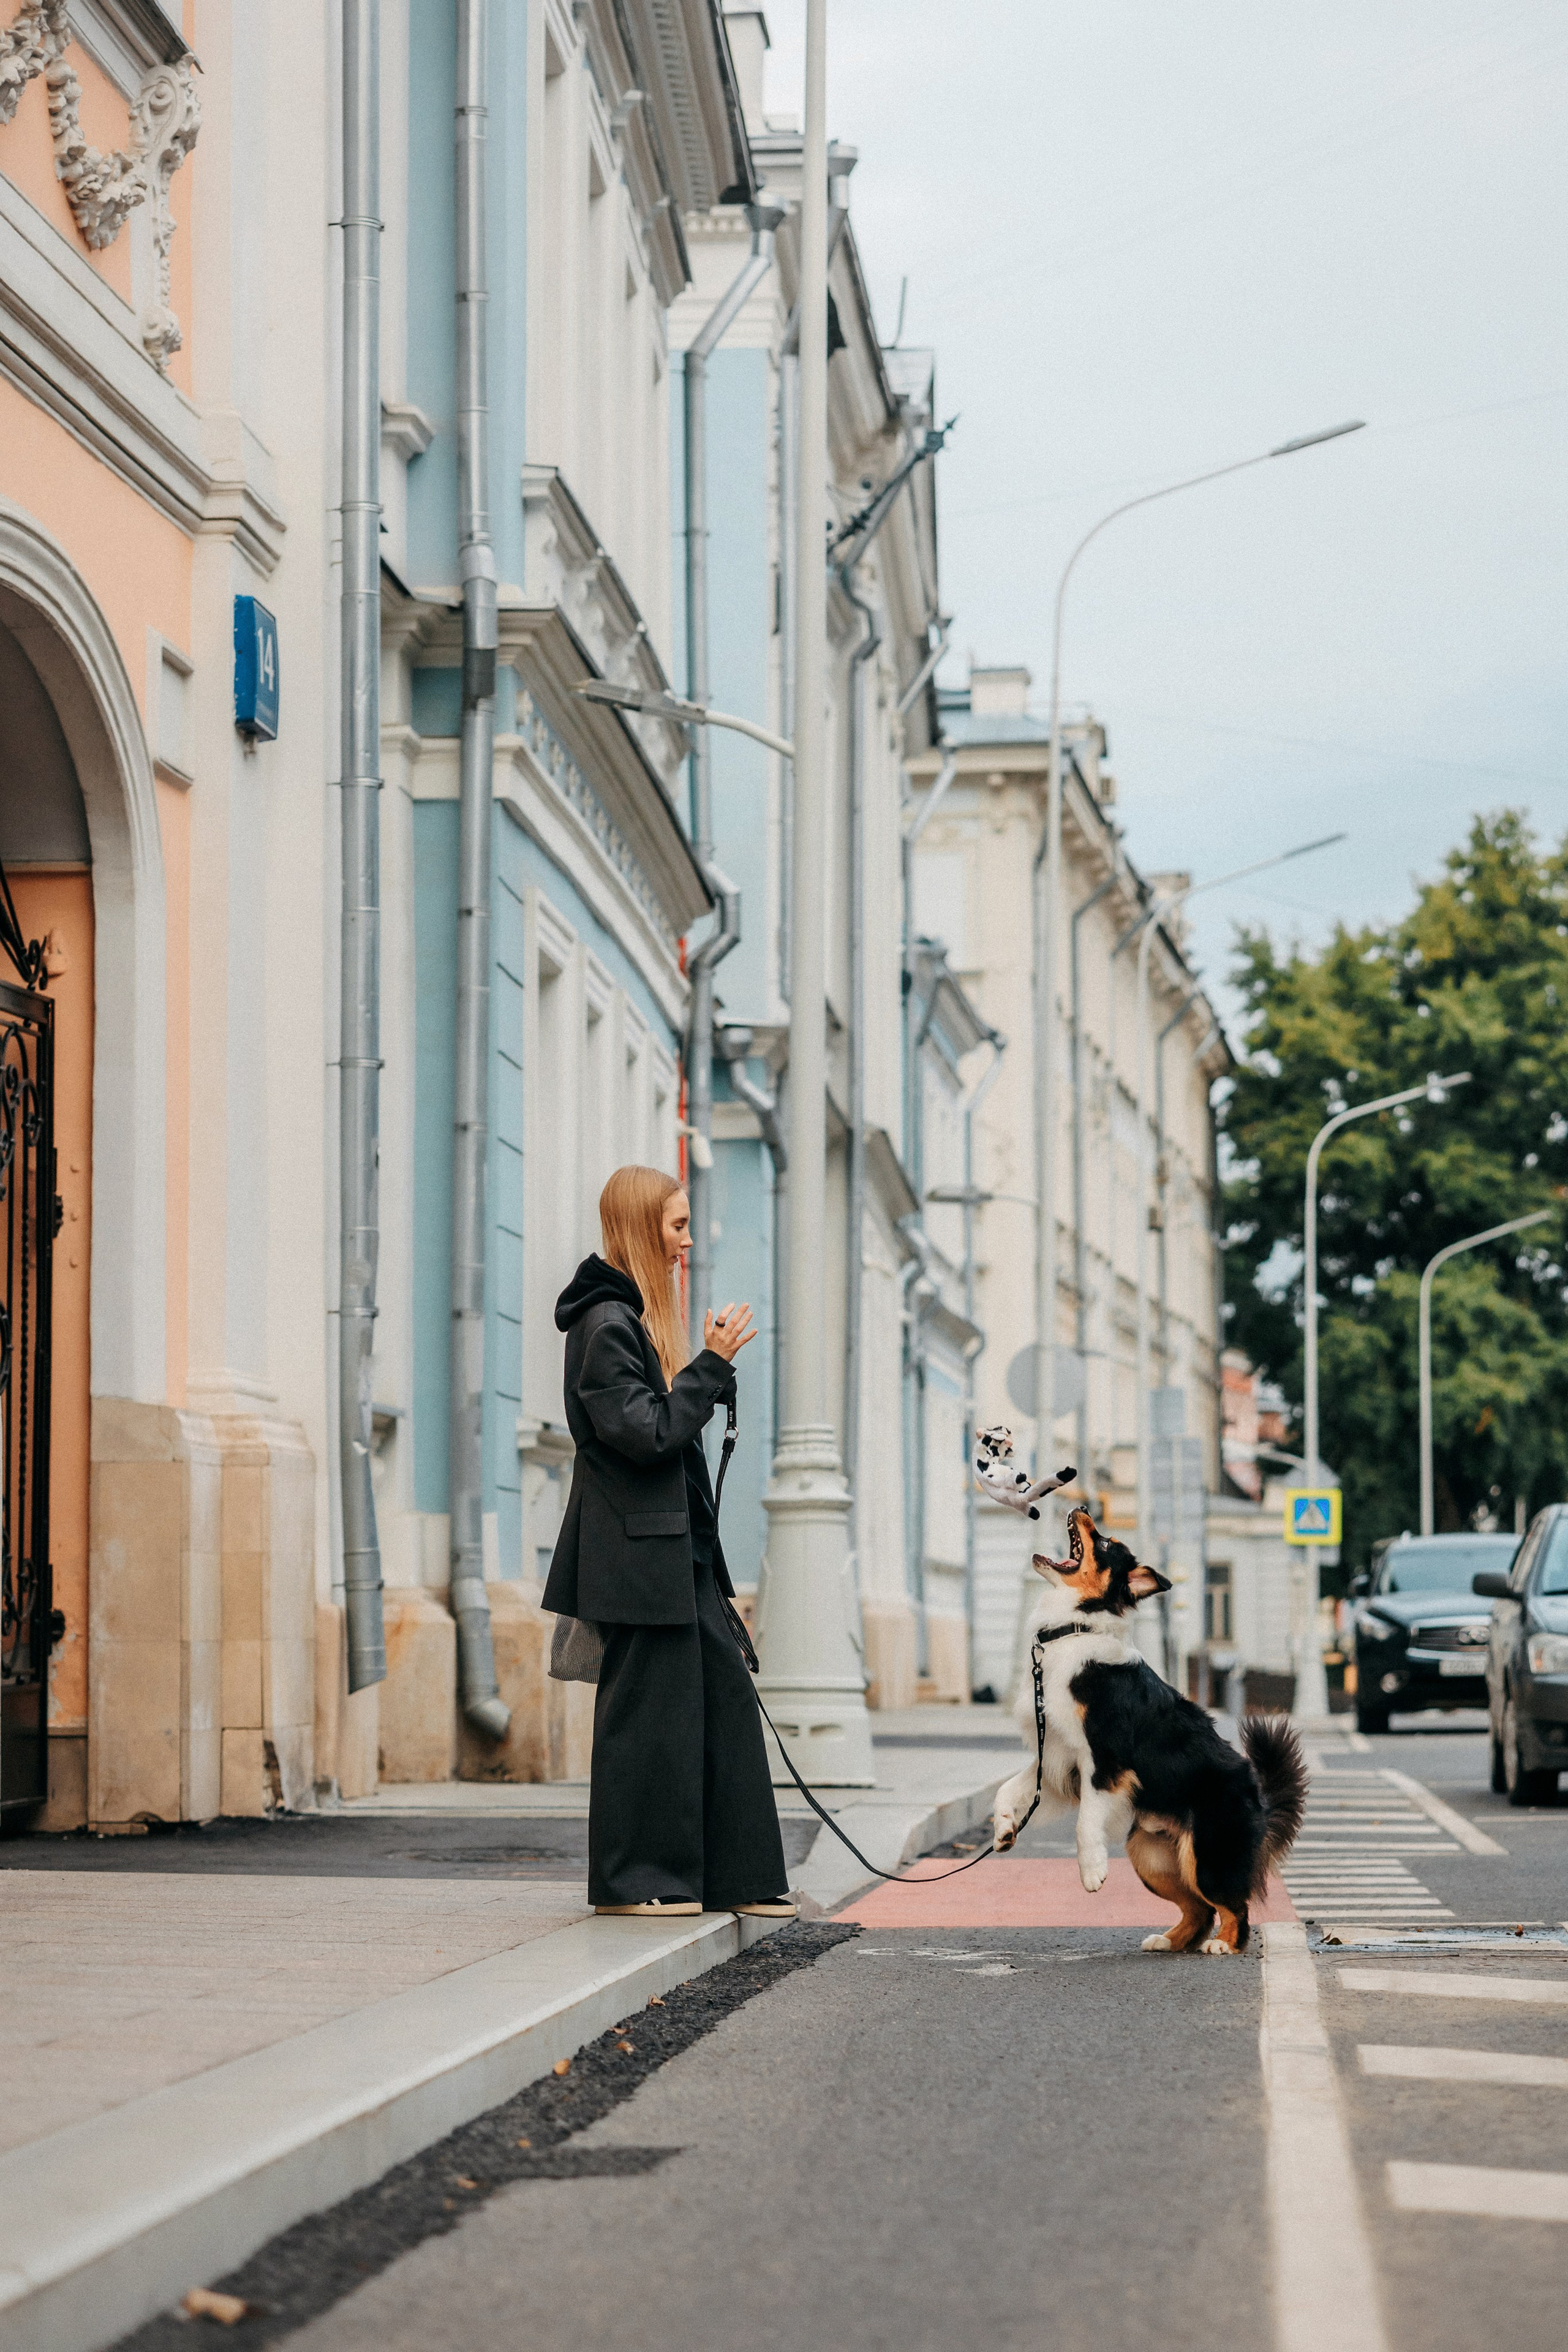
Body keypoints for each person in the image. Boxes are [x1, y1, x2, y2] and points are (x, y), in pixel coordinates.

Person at [544, 1164, 794, 1920]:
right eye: (677, 1226)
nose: (686, 1242)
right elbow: (645, 1433)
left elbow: (658, 1425)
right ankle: (633, 1883)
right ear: (639, 1227)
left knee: (722, 1702)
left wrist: (704, 1375)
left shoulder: (628, 1320)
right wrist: (710, 1367)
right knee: (646, 1723)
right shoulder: (604, 1325)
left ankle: (736, 1876)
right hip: (634, 1559)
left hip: (673, 1553)